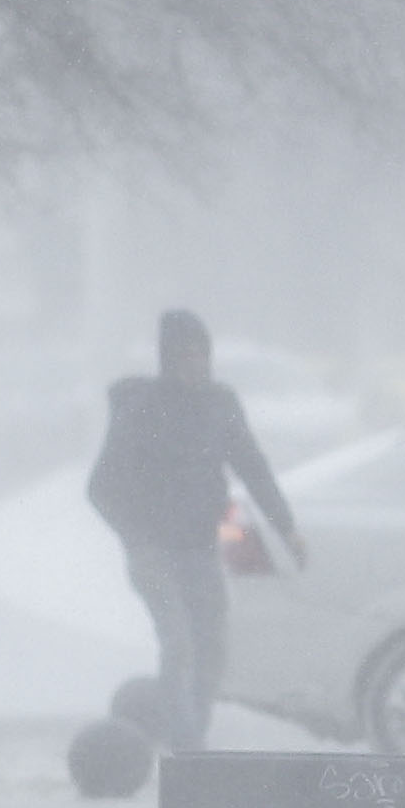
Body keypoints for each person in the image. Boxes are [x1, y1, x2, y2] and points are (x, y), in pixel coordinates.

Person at [86, 309, 308, 751]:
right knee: (179, 644)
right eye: (185, 354)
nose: (195, 363)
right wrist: (136, 536)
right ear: (168, 358)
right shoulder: (141, 409)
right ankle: (187, 748)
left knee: (212, 647)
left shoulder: (218, 405)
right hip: (153, 550)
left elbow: (253, 467)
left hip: (200, 547)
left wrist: (286, 528)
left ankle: (193, 735)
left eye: (201, 354)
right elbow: (101, 487)